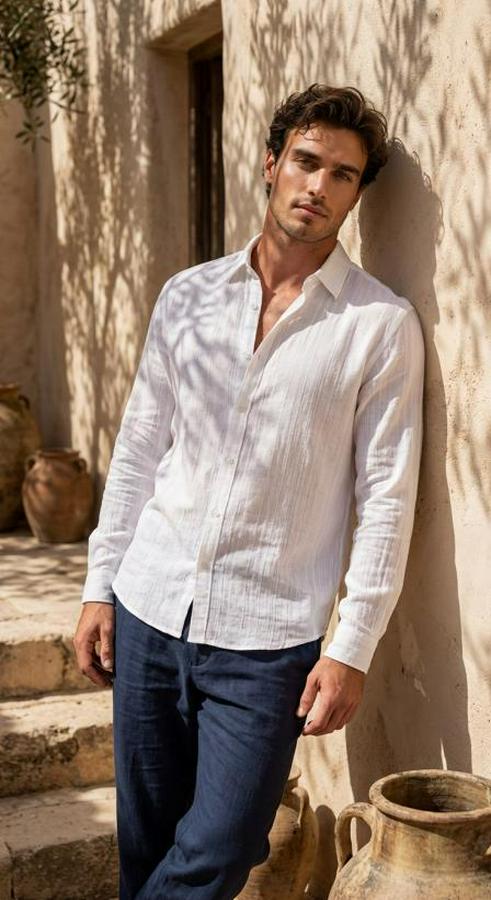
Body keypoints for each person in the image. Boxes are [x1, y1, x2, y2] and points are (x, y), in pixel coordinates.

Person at [74, 83, 424, 899]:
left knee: (223, 848)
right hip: (150, 606)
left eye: (342, 175)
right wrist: (99, 584)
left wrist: (351, 646)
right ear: (270, 164)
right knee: (145, 847)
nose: (317, 186)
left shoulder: (378, 326)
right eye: (305, 161)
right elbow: (139, 451)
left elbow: (386, 495)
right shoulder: (186, 295)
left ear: (356, 195)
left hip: (268, 640)